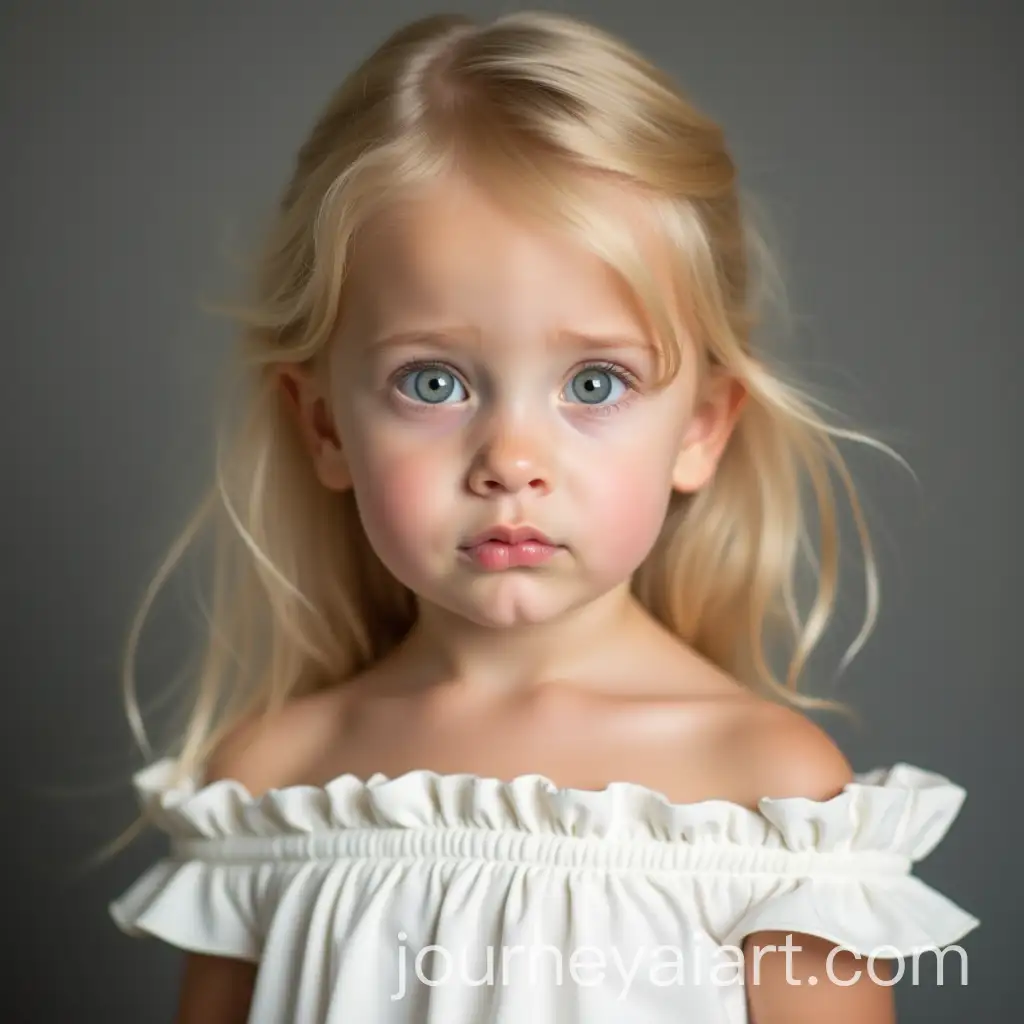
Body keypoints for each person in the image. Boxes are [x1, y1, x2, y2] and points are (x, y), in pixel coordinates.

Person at [108, 10, 979, 1023]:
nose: (511, 461)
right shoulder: (276, 784)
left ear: (699, 426)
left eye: (597, 382)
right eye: (431, 380)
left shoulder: (765, 794)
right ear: (324, 426)